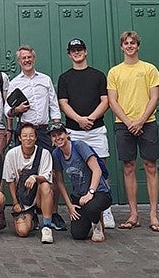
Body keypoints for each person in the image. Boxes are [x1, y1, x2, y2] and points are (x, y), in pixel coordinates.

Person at [107, 30, 159, 232]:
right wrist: (128, 121)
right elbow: (112, 100)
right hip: (123, 124)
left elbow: (154, 97)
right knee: (129, 167)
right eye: (126, 43)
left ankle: (154, 215)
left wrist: (140, 121)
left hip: (147, 123)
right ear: (121, 47)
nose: (130, 46)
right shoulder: (114, 72)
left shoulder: (149, 69)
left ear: (138, 46)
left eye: (133, 43)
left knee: (150, 166)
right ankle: (133, 214)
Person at [4, 45, 65, 231]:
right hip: (25, 132)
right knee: (25, 173)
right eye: (23, 58)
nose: (27, 60)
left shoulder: (45, 80)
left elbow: (54, 106)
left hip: (45, 131)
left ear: (34, 58)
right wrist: (17, 110)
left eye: (29, 57)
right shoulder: (14, 83)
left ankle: (52, 213)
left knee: (52, 173)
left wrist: (56, 130)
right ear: (19, 61)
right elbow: (7, 110)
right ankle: (31, 212)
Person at [57, 38, 115, 229]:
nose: (77, 52)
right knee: (79, 170)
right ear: (69, 54)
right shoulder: (64, 78)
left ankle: (104, 209)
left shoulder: (98, 75)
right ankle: (84, 205)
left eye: (80, 49)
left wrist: (90, 118)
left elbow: (105, 101)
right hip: (74, 131)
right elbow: (63, 103)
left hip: (96, 129)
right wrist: (79, 120)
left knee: (100, 167)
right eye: (73, 50)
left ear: (86, 52)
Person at [50, 123, 111, 242]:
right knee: (78, 234)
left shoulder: (79, 146)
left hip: (99, 192)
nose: (58, 138)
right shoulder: (56, 154)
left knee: (91, 207)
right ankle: (93, 218)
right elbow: (60, 181)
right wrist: (69, 206)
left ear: (67, 134)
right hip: (79, 197)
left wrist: (90, 192)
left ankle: (97, 225)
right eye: (54, 136)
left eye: (60, 134)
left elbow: (97, 170)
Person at [3, 122, 54, 243]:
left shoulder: (44, 153)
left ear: (36, 137)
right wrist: (15, 203)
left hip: (39, 196)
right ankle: (32, 220)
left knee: (46, 186)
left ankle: (47, 226)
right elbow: (10, 181)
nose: (28, 138)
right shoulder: (11, 154)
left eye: (31, 135)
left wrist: (35, 177)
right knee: (22, 231)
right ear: (19, 138)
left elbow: (48, 178)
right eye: (24, 135)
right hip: (23, 199)